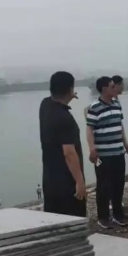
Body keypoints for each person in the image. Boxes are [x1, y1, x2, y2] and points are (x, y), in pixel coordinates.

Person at [39, 71, 86, 217]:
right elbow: (69, 153)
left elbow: (57, 100)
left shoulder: (45, 105)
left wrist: (68, 95)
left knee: (53, 220)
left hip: (50, 179)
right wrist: (79, 181)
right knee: (73, 219)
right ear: (70, 89)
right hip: (67, 182)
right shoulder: (64, 118)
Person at [87, 76, 128, 229]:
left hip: (118, 152)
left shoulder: (117, 104)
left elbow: (120, 124)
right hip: (103, 155)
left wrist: (125, 142)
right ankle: (103, 217)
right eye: (112, 86)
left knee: (119, 185)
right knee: (103, 187)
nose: (116, 88)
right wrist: (92, 148)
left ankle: (118, 215)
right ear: (104, 89)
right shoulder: (94, 107)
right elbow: (89, 129)